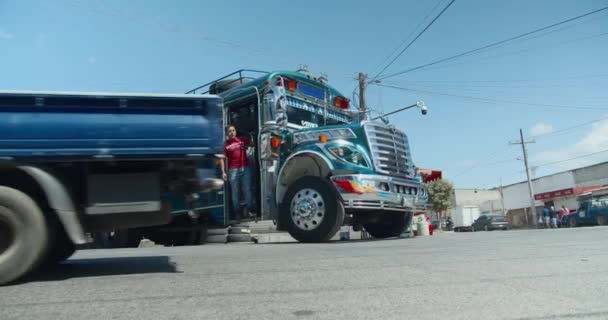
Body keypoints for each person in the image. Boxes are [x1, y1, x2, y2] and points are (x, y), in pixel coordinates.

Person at [220, 125, 254, 222]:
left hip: (245, 169)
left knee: (247, 190)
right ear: (227, 133)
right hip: (233, 170)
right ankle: (237, 213)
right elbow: (222, 158)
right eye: (230, 131)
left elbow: (251, 143)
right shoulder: (225, 144)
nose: (232, 133)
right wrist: (223, 172)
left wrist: (248, 145)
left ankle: (250, 210)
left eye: (234, 130)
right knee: (235, 193)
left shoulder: (242, 139)